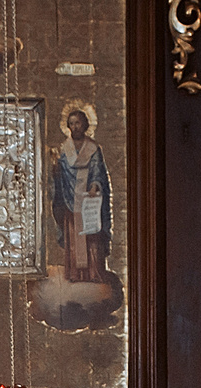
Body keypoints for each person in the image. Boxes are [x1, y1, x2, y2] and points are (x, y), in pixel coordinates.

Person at [49, 107, 112, 285]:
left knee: (91, 235)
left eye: (77, 123)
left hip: (88, 198)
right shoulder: (64, 149)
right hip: (70, 198)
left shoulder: (93, 148)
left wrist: (94, 185)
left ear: (84, 124)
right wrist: (55, 169)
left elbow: (98, 171)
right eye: (71, 124)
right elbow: (59, 174)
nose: (75, 127)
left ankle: (93, 273)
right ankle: (75, 274)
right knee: (73, 235)